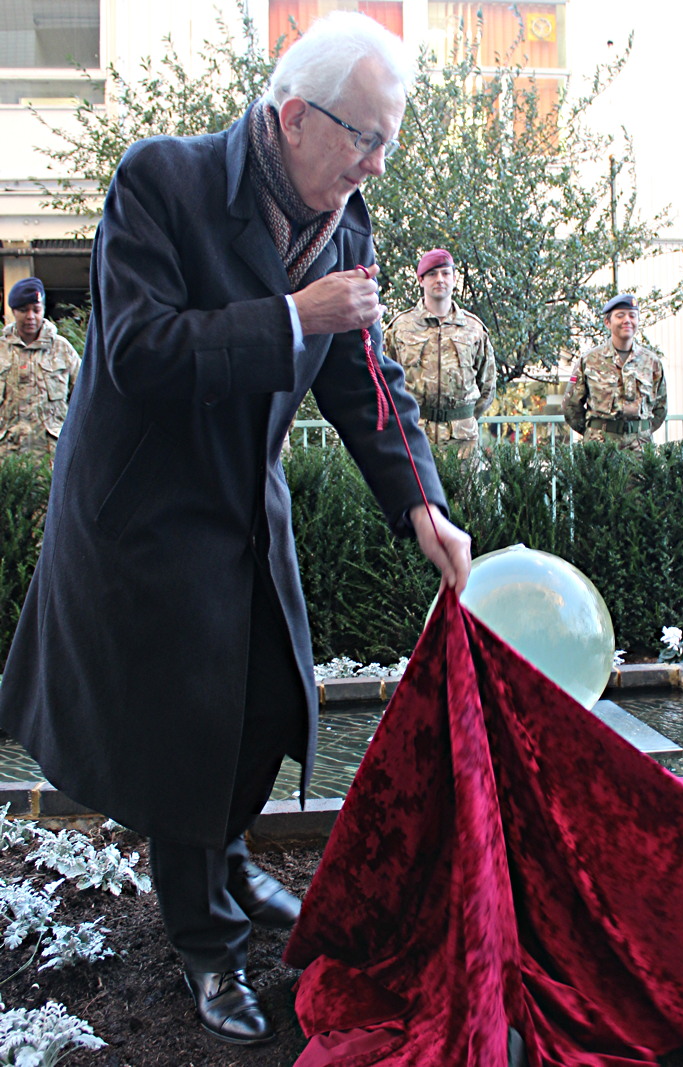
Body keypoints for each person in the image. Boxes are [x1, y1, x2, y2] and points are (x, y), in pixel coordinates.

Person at [0, 13, 471, 1049]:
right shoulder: (160, 182)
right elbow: (138, 351)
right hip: (142, 512)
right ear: (294, 116)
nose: (376, 166)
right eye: (365, 138)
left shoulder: (345, 222)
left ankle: (222, 858)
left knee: (270, 701)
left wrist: (420, 502)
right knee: (185, 732)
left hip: (243, 503)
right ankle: (207, 942)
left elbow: (366, 381)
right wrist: (296, 314)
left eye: (388, 141)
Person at [383, 248, 496, 457]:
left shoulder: (474, 329)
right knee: (416, 491)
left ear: (454, 279)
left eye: (445, 273)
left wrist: (463, 419)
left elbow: (487, 385)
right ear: (421, 280)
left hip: (462, 443)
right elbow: (385, 384)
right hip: (413, 435)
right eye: (432, 274)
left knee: (463, 491)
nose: (439, 279)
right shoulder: (400, 328)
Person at [561, 293, 667, 452]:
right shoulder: (589, 360)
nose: (627, 321)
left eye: (632, 316)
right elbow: (571, 406)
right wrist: (595, 431)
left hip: (640, 448)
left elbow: (661, 407)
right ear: (607, 322)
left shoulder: (652, 362)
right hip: (601, 446)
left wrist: (640, 431)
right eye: (620, 316)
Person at [0, 277, 81, 461]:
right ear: (13, 311)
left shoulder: (62, 349)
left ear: (43, 310)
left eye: (36, 310)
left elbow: (84, 397)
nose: (30, 316)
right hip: (7, 457)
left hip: (51, 456)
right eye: (23, 310)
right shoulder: (1, 351)